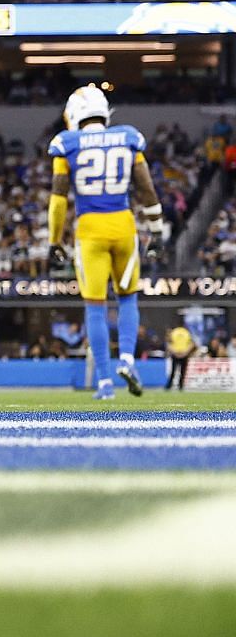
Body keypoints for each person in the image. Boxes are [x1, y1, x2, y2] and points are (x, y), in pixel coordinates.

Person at [46, 84, 165, 401]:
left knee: (95, 308)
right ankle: (127, 359)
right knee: (128, 299)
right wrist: (158, 229)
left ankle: (104, 383)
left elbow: (58, 201)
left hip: (90, 230)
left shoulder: (67, 142)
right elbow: (147, 190)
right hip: (124, 225)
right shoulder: (127, 136)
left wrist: (54, 240)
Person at [167, 321, 197, 390]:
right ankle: (180, 386)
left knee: (173, 371)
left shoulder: (174, 332)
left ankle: (169, 386)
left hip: (176, 354)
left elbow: (168, 343)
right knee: (182, 372)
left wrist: (174, 352)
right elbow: (192, 344)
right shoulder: (187, 332)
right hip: (184, 354)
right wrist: (185, 352)